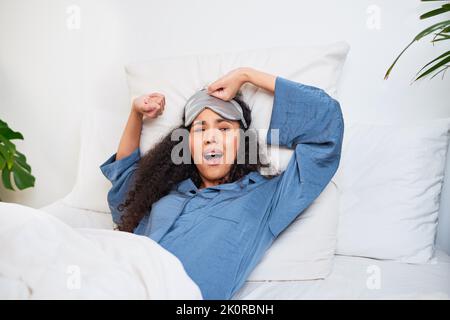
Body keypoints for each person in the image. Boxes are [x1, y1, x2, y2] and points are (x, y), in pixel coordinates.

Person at [100, 67, 344, 299]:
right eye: (200, 129)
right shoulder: (165, 193)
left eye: (225, 128)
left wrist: (245, 74)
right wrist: (136, 113)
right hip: (115, 280)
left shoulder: (266, 196)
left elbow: (326, 124)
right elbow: (124, 178)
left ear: (243, 142)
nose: (211, 138)